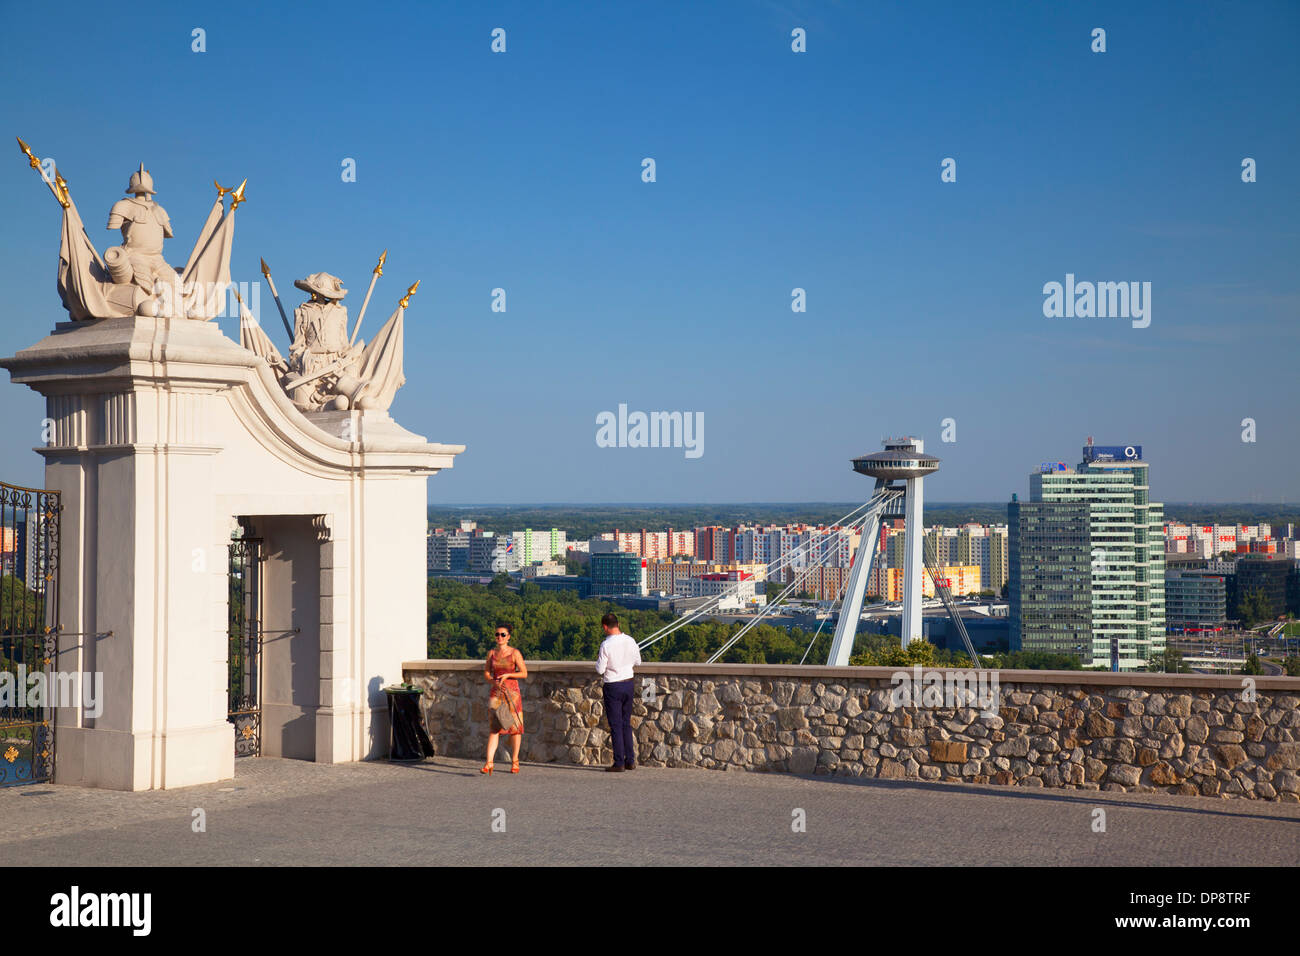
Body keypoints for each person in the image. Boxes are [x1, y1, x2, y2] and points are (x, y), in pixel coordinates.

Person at [595, 612, 641, 772]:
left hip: (613, 686)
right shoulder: (631, 640)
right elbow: (638, 661)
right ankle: (630, 760)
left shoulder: (606, 645)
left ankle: (619, 762)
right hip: (628, 683)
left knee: (615, 725)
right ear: (618, 624)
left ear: (605, 627)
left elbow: (600, 669)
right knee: (625, 723)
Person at [482, 623, 527, 774]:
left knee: (514, 729)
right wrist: (492, 680)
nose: (499, 637)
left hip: (512, 693)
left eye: (502, 634)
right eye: (497, 634)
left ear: (508, 637)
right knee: (494, 728)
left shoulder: (515, 653)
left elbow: (524, 673)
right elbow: (487, 673)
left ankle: (515, 760)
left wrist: (508, 675)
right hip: (496, 693)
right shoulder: (491, 653)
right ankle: (489, 762)